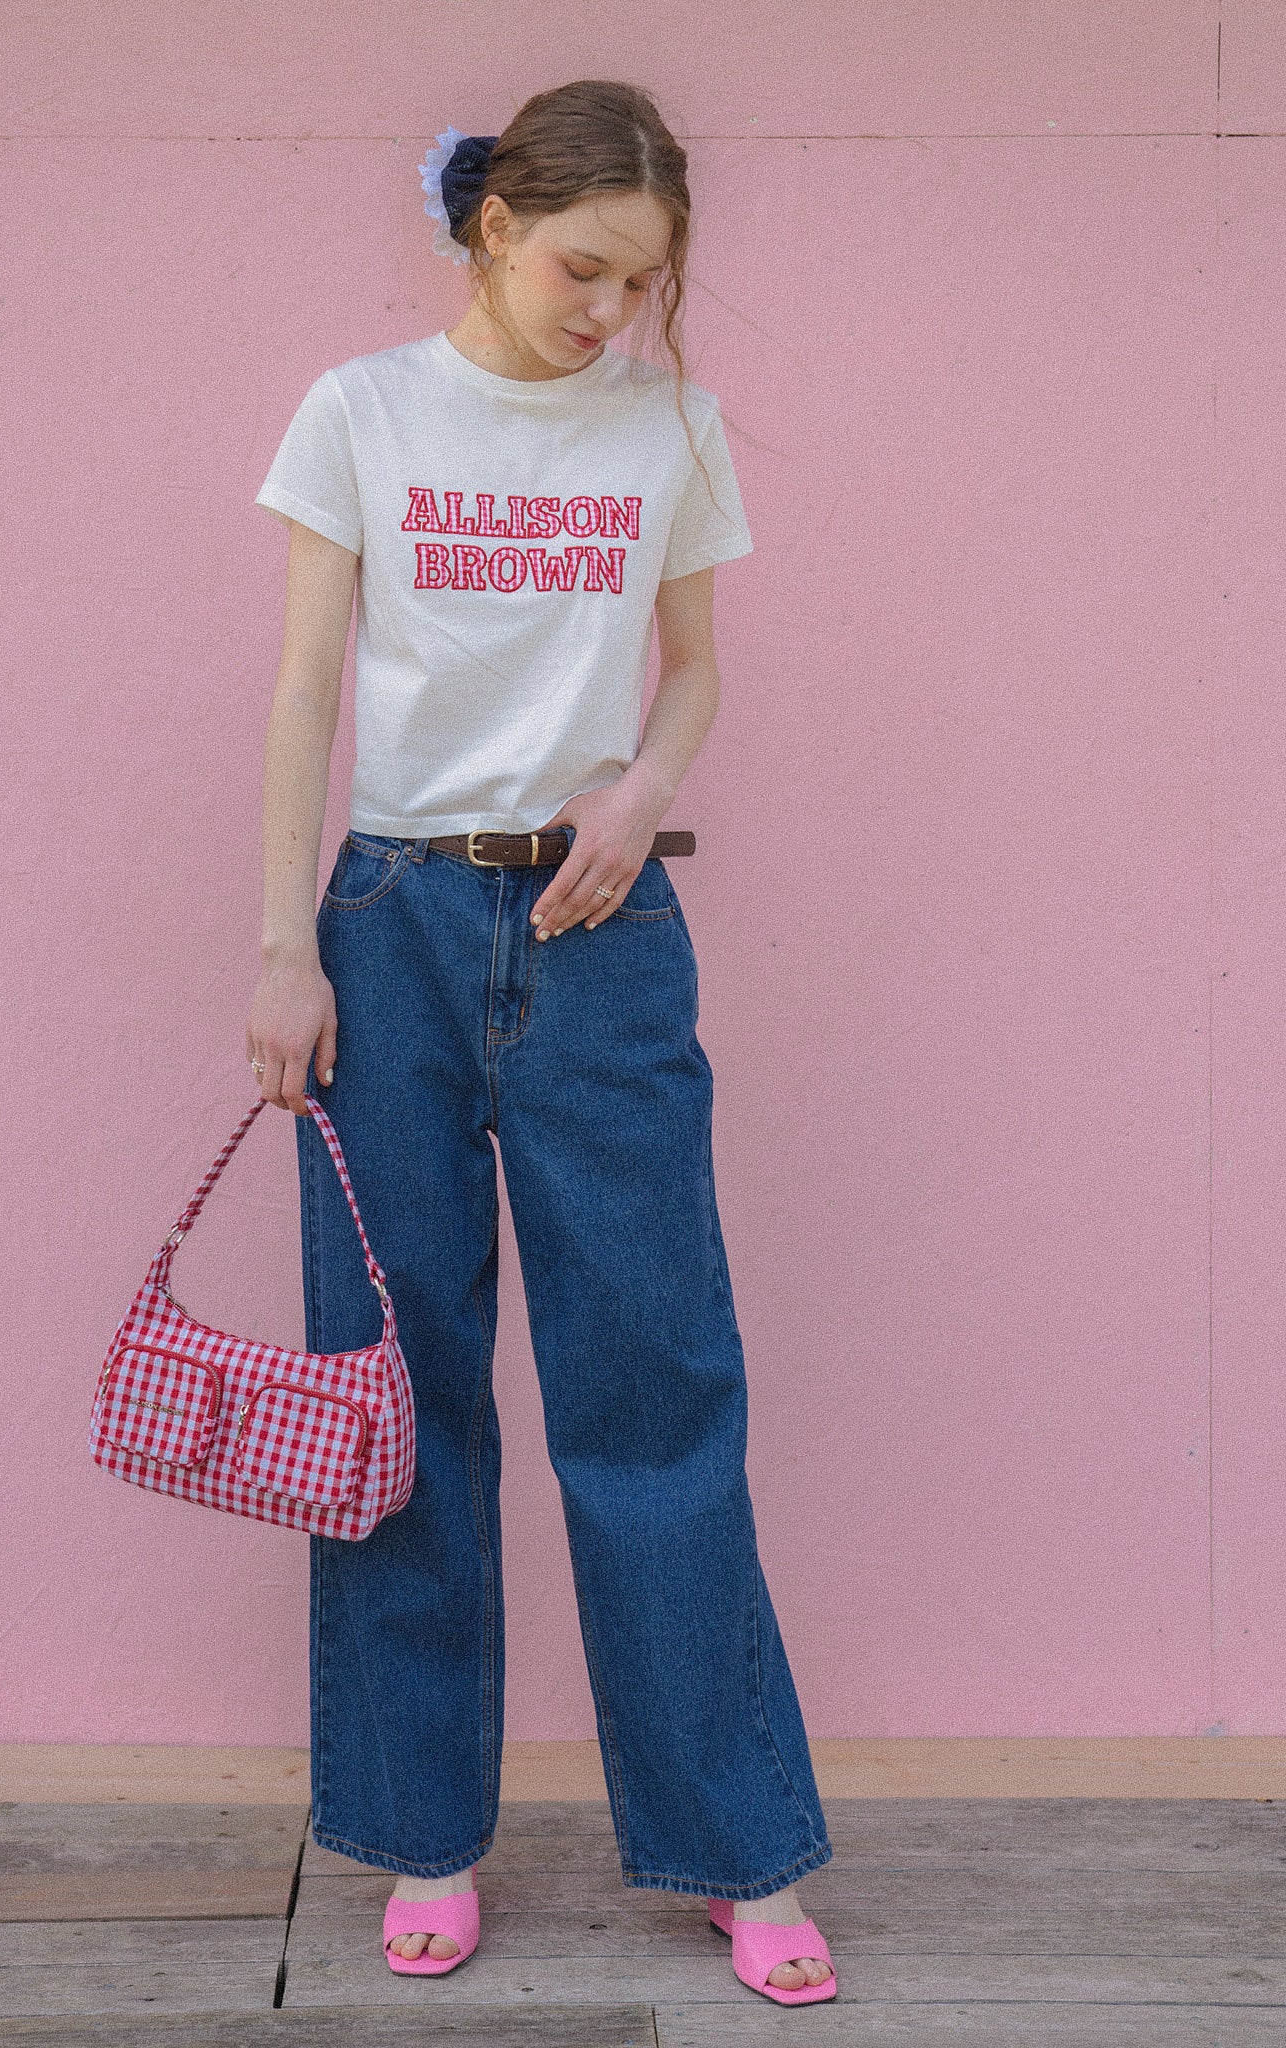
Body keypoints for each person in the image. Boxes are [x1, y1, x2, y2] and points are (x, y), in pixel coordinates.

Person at [245, 79, 837, 2008]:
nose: (609, 312)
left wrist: (636, 793)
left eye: (641, 284)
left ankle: (740, 1849)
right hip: (393, 930)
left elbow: (696, 671)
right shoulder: (362, 411)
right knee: (400, 1399)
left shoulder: (670, 427)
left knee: (655, 1389)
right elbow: (307, 687)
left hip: (602, 934)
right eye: (585, 268)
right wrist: (285, 948)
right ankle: (424, 1830)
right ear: (494, 226)